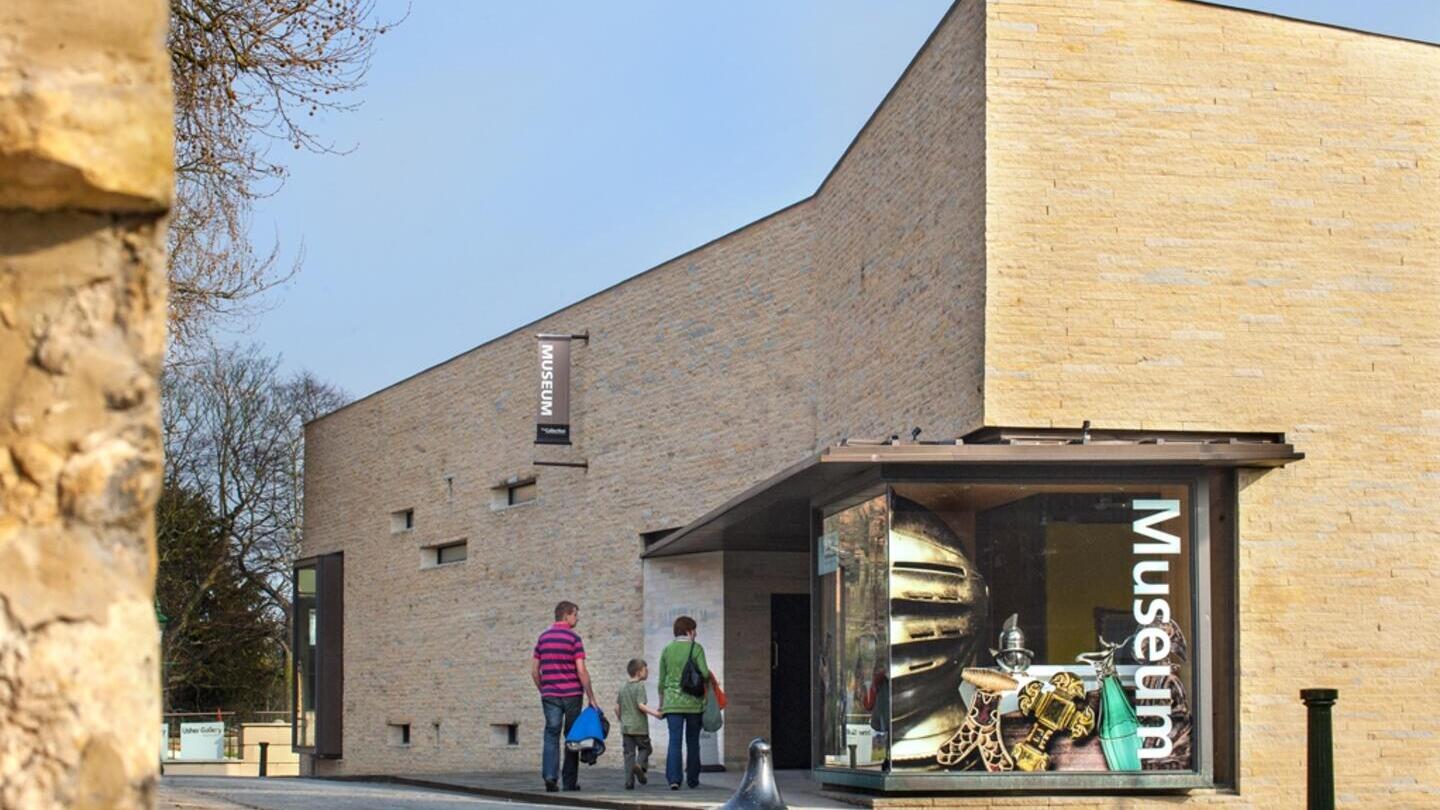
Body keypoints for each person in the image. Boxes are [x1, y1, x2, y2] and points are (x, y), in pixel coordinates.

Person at [531, 601, 598, 792]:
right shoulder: (574, 639)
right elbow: (581, 670)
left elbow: (534, 671)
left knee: (551, 733)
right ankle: (569, 782)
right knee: (572, 736)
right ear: (566, 615)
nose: (577, 619)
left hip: (550, 694)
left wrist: (544, 690)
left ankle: (550, 777)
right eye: (575, 615)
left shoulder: (543, 638)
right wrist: (591, 697)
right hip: (572, 694)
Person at [657, 615, 709, 790]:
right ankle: (692, 779)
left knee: (674, 741)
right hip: (694, 703)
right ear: (688, 631)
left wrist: (661, 704)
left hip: (672, 703)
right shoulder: (697, 648)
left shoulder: (667, 650)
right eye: (694, 630)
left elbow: (661, 681)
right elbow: (705, 674)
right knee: (693, 741)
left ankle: (674, 779)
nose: (696, 633)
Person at [615, 658, 661, 789]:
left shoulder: (623, 687)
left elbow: (616, 708)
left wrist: (621, 719)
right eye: (645, 670)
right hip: (640, 727)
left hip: (626, 727)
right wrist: (655, 713)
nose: (648, 672)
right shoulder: (640, 686)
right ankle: (639, 766)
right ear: (638, 672)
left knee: (629, 755)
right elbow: (640, 705)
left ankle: (629, 782)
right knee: (646, 748)